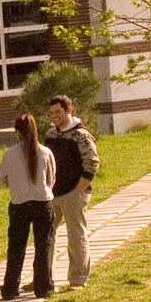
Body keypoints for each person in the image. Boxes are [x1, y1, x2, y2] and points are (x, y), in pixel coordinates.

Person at [0, 113, 57, 300]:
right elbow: (51, 179)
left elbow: (0, 180)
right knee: (43, 245)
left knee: (16, 247)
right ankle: (44, 287)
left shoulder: (10, 154)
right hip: (42, 203)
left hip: (19, 204)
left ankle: (10, 289)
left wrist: (15, 184)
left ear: (17, 132)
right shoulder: (46, 152)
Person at [42, 94, 99, 288]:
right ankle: (44, 277)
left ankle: (77, 279)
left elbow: (92, 164)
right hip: (51, 194)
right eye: (51, 113)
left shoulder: (81, 135)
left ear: (68, 110)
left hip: (74, 194)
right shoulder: (50, 135)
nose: (54, 116)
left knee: (76, 237)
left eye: (57, 112)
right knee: (46, 236)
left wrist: (77, 192)